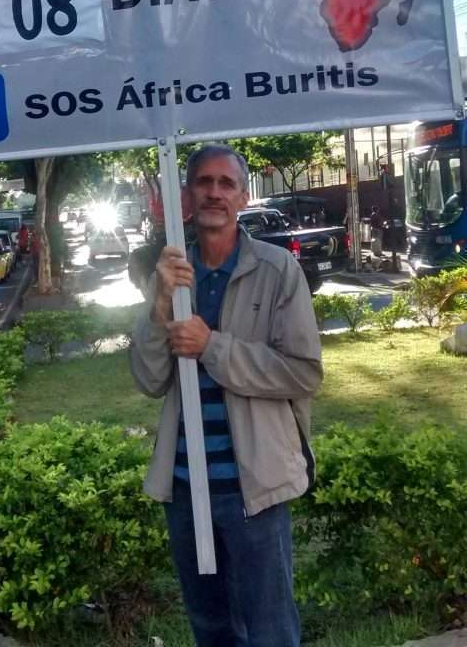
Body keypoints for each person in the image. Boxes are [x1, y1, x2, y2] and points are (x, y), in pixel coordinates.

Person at [130, 145, 322, 647]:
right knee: (211, 628)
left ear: (241, 195)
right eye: (203, 182)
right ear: (188, 197)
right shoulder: (172, 274)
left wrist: (211, 346)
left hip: (253, 488)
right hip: (186, 488)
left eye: (226, 183)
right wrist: (159, 307)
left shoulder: (277, 268)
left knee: (271, 630)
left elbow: (303, 373)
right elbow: (150, 381)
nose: (215, 192)